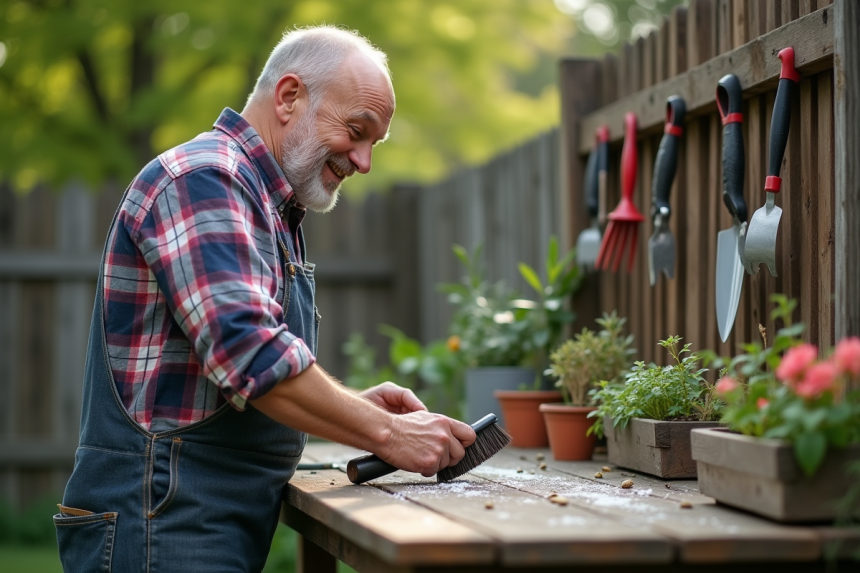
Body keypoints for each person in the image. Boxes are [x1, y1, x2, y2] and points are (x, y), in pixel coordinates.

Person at [55, 25, 475, 572]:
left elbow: (237, 380)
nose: (365, 161)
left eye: (375, 143)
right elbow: (250, 352)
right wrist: (390, 433)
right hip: (157, 524)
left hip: (193, 523)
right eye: (356, 130)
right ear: (289, 96)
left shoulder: (266, 204)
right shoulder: (205, 178)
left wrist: (353, 410)